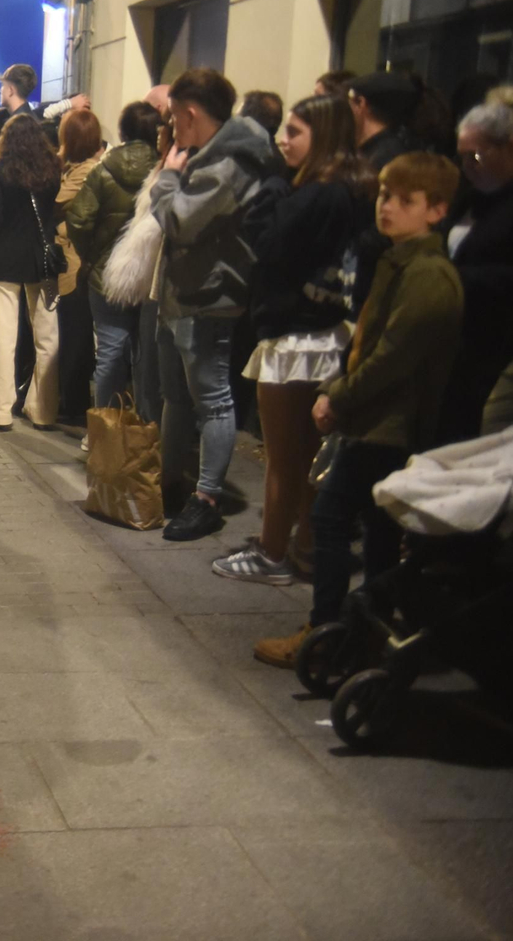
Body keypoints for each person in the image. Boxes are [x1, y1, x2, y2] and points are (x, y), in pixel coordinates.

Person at [254, 153, 463, 667]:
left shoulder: (428, 275)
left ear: (436, 211)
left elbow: (394, 358)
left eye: (404, 201)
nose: (387, 208)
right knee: (375, 531)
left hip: (387, 425)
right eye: (385, 196)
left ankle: (328, 629)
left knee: (330, 517)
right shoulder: (400, 262)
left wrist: (338, 396)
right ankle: (362, 631)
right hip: (376, 420)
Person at [212, 95, 370, 585]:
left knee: (285, 458)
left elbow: (268, 241)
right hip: (325, 331)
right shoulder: (351, 189)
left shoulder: (312, 193)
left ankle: (273, 554)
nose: (284, 140)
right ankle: (303, 548)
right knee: (306, 456)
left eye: (295, 132)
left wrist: (274, 186)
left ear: (322, 137)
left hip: (297, 338)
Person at [150, 67, 273, 541]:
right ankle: (173, 482)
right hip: (184, 294)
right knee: (176, 397)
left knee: (213, 400)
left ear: (190, 113)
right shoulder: (210, 154)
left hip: (208, 298)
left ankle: (206, 499)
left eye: (174, 118)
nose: (171, 128)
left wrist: (167, 179)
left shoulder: (229, 163)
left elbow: (180, 222)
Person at [439, 92, 513, 442]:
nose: (467, 166)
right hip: (454, 341)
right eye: (461, 157)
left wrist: (455, 279)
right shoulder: (472, 196)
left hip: (492, 344)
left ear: (509, 148)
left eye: (474, 156)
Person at [67, 101, 161, 409]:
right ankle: (144, 431)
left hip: (107, 275)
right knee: (147, 356)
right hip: (150, 275)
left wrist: (92, 255)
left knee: (109, 352)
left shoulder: (103, 169)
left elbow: (79, 220)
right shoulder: (165, 169)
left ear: (122, 131)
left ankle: (103, 429)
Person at [0, 114, 63, 431]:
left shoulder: (0, 171)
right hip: (44, 263)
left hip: (7, 261)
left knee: (3, 336)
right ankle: (42, 410)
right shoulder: (52, 169)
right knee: (48, 337)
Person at [52, 108, 104, 421]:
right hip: (68, 259)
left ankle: (73, 405)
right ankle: (69, 400)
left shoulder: (87, 171)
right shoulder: (74, 167)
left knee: (75, 335)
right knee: (69, 333)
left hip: (74, 262)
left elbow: (55, 200)